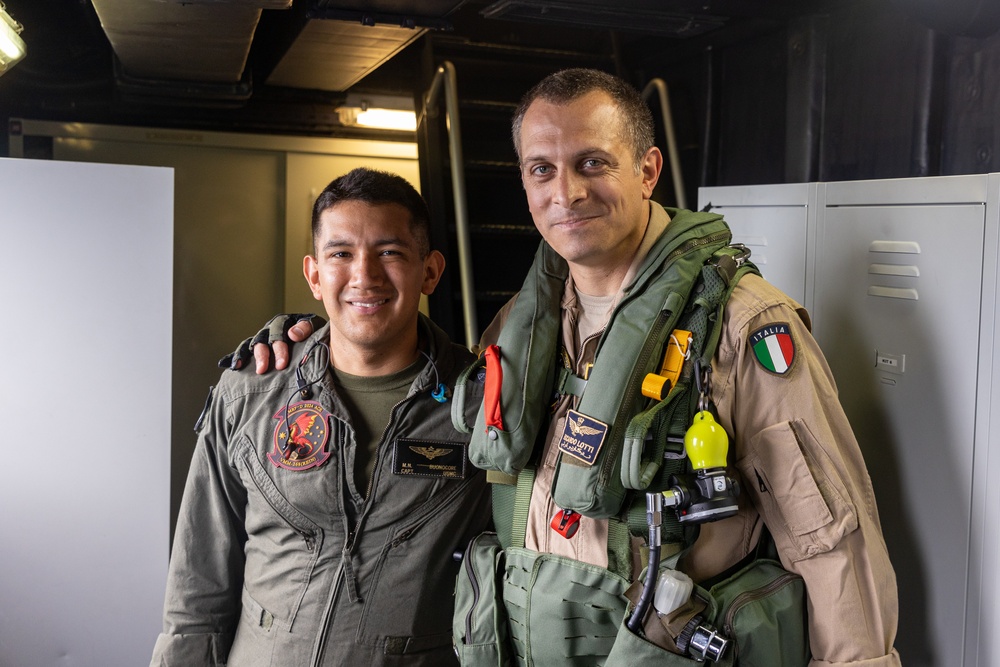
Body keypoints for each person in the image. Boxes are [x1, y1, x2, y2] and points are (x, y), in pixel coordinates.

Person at [249, 70, 901, 665]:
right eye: (542, 169)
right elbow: (412, 387)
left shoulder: (741, 324)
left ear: (648, 170)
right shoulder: (517, 325)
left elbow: (830, 538)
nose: (566, 191)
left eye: (593, 162)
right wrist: (303, 342)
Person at [150, 167, 490, 666]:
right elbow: (197, 587)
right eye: (341, 254)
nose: (364, 276)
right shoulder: (250, 393)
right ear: (314, 274)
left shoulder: (483, 408)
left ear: (431, 271)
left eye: (390, 252)